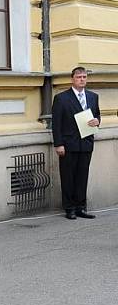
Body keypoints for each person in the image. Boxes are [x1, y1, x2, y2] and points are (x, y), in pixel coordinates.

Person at [52, 66, 101, 220]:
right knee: (68, 176)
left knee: (82, 176)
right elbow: (56, 123)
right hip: (68, 144)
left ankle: (81, 207)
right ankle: (69, 208)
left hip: (86, 142)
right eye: (79, 77)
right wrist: (58, 144)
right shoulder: (61, 98)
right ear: (72, 79)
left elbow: (97, 115)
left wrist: (97, 121)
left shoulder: (93, 96)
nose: (82, 80)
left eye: (84, 77)